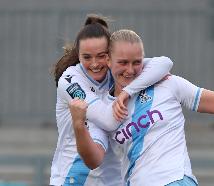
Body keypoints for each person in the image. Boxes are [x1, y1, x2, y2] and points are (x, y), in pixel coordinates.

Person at [69, 29, 214, 186]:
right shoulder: (104, 109)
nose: (130, 70)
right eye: (123, 63)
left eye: (136, 62)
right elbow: (93, 160)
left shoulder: (168, 83)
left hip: (177, 180)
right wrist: (78, 125)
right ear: (108, 60)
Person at [50, 14, 173, 186]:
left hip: (112, 180)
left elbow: (164, 63)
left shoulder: (116, 71)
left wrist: (127, 92)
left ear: (109, 57)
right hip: (73, 180)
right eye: (87, 57)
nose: (95, 64)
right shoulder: (70, 80)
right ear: (78, 56)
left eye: (101, 56)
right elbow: (108, 121)